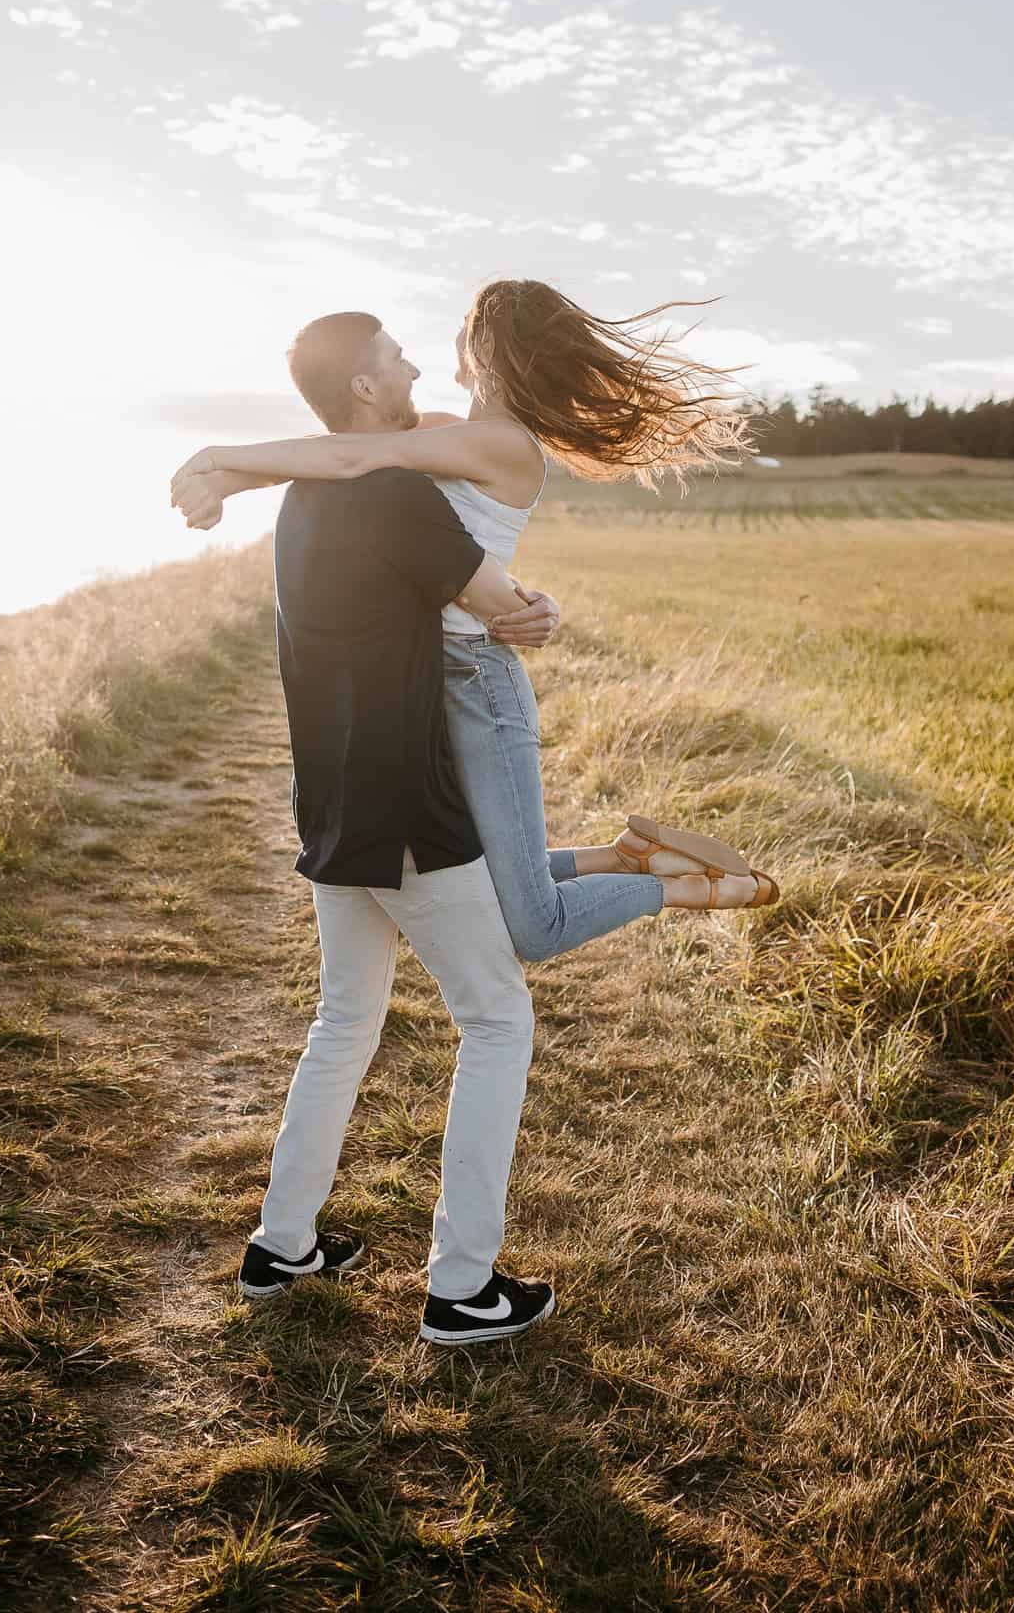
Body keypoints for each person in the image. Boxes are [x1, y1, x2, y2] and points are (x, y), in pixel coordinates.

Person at [170, 305, 776, 1348]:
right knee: (498, 1013)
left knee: (344, 1020)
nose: (420, 357)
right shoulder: (395, 489)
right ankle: (461, 1289)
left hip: (335, 807)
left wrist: (224, 467)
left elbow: (346, 460)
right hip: (406, 800)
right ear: (365, 390)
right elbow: (407, 506)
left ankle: (284, 1243)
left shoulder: (326, 497)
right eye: (395, 356)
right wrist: (511, 606)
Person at [171, 286, 778, 971]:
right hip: (428, 673)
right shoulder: (442, 427)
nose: (443, 347)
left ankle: (668, 887)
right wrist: (228, 483)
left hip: (478, 679)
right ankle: (622, 855)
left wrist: (216, 456)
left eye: (464, 329)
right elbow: (335, 449)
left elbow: (348, 460)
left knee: (534, 928)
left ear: (489, 350)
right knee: (462, 864)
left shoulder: (503, 444)